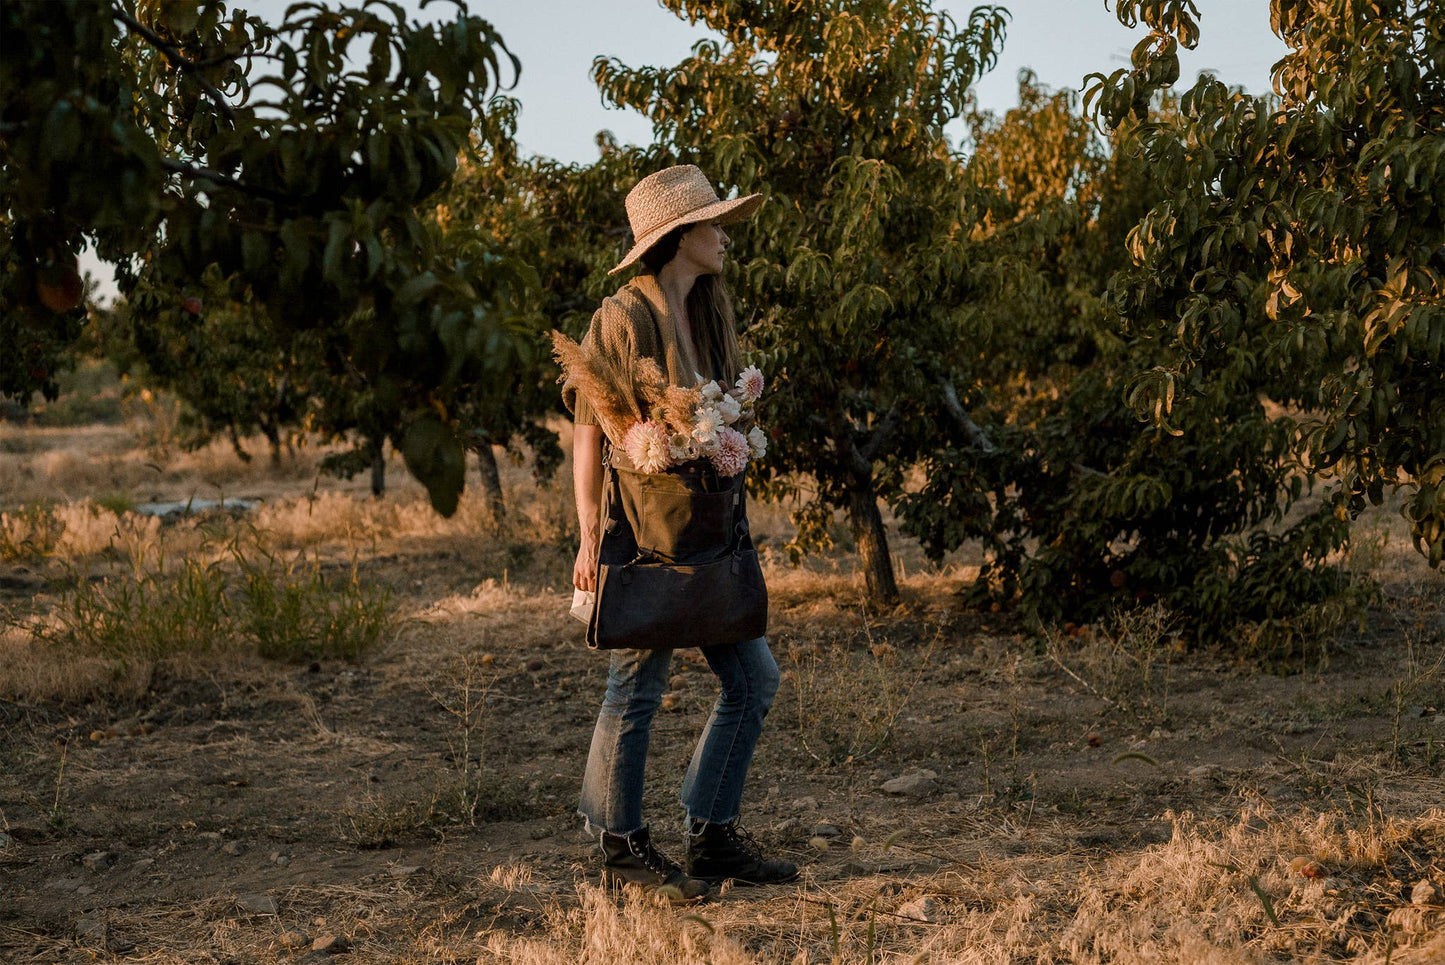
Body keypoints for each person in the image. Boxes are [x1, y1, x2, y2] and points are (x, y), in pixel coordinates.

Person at [562, 165, 798, 902]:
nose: (725, 236)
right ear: (679, 236)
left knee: (752, 679)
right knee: (638, 682)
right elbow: (586, 431)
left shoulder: (708, 313)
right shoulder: (622, 315)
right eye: (714, 224)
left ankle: (710, 832)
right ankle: (618, 843)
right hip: (645, 532)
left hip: (706, 529)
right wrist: (585, 537)